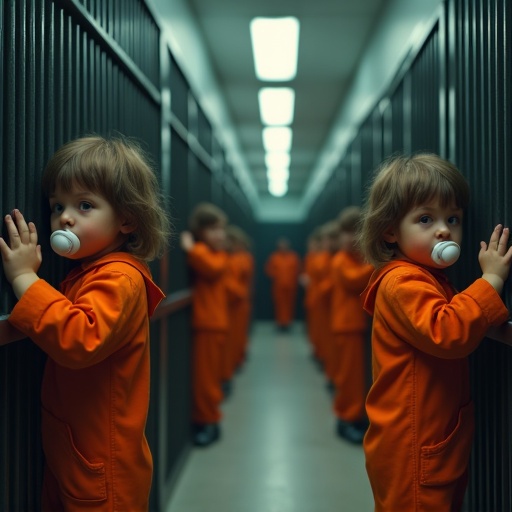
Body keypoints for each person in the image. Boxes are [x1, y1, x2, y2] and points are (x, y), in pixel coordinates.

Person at [0, 135, 171, 511]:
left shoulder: (119, 278)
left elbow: (80, 338)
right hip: (79, 456)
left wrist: (24, 278)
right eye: (57, 205)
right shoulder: (90, 272)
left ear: (127, 218)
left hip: (103, 469)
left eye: (85, 205)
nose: (65, 217)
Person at [358, 153, 512, 511]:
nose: (444, 229)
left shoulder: (429, 279)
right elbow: (448, 331)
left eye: (452, 218)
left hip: (430, 438)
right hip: (412, 446)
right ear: (390, 230)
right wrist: (491, 280)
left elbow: (460, 315)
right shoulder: (402, 282)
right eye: (425, 219)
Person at [180, 202, 229, 447]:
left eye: (221, 229)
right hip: (210, 324)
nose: (220, 234)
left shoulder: (215, 256)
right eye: (213, 229)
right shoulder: (211, 253)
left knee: (206, 380)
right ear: (200, 231)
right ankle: (209, 419)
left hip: (211, 325)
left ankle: (208, 422)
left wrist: (191, 248)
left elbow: (211, 268)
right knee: (205, 378)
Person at [330, 206, 373, 444]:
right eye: (346, 233)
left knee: (357, 377)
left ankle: (354, 416)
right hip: (346, 328)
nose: (351, 238)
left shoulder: (355, 260)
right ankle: (346, 419)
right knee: (350, 378)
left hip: (355, 327)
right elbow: (354, 281)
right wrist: (379, 262)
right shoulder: (340, 261)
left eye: (357, 232)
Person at [264, 237, 301, 330]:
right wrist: (276, 275)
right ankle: (280, 323)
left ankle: (288, 323)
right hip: (278, 286)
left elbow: (298, 270)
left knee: (289, 305)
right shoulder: (274, 257)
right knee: (279, 305)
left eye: (285, 246)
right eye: (281, 246)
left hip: (291, 286)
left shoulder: (293, 257)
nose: (283, 248)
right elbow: (268, 269)